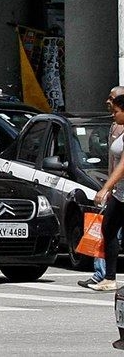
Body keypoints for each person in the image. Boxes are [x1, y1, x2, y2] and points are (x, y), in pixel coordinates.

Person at [80, 85, 124, 289]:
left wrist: (106, 188)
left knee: (110, 228)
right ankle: (110, 277)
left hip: (120, 191)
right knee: (108, 228)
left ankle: (109, 276)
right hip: (121, 193)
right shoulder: (118, 129)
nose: (113, 114)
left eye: (116, 111)